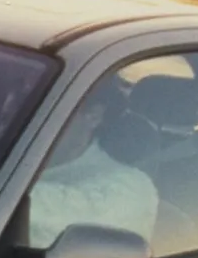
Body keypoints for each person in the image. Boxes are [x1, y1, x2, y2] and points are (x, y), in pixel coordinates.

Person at [23, 86, 160, 248]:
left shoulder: (130, 185)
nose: (16, 121)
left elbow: (51, 213)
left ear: (93, 116)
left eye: (35, 111)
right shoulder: (3, 166)